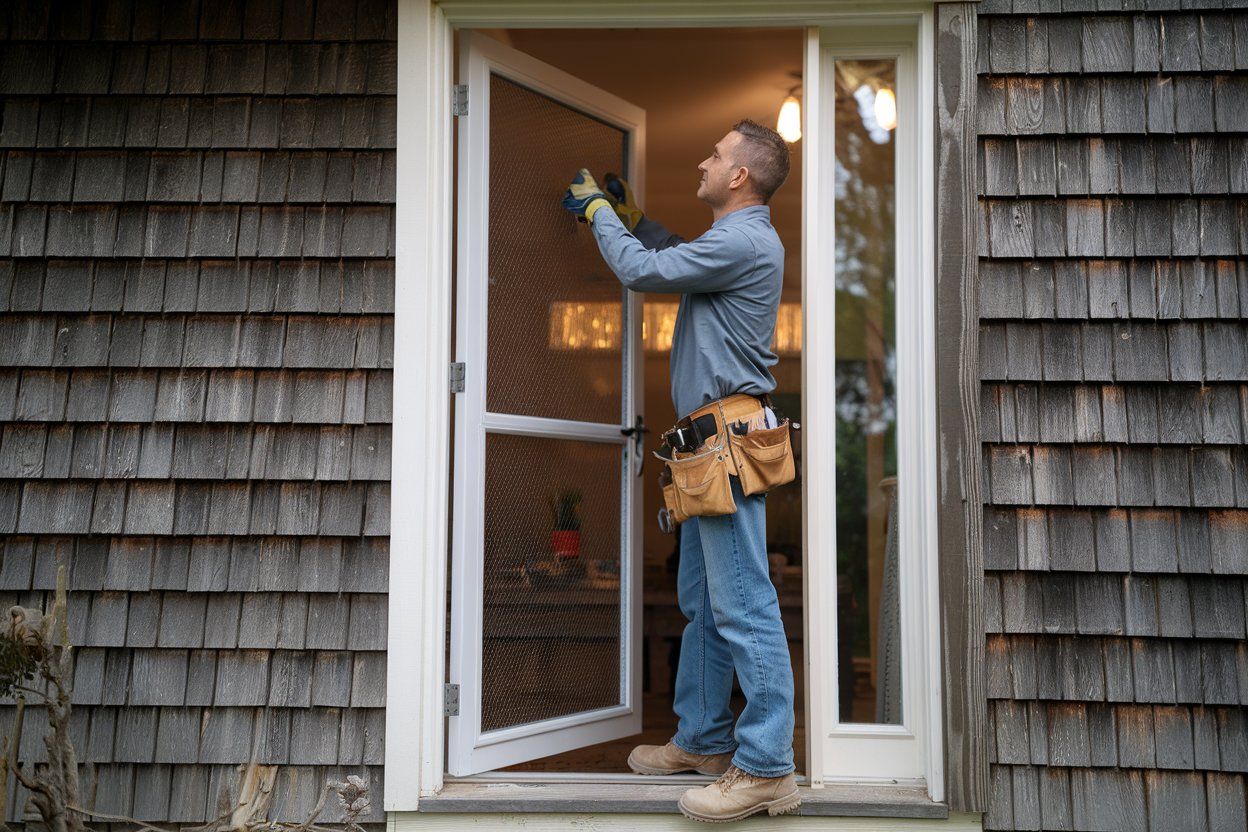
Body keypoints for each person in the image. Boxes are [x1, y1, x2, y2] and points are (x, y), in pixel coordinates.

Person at [562, 119, 798, 823]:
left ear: (739, 177)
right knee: (703, 602)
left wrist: (603, 216)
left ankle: (765, 766)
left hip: (722, 445)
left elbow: (642, 271)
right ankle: (702, 739)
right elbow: (678, 256)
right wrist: (638, 219)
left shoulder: (746, 236)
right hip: (705, 448)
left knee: (744, 604)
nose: (702, 160)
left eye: (715, 155)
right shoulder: (735, 241)